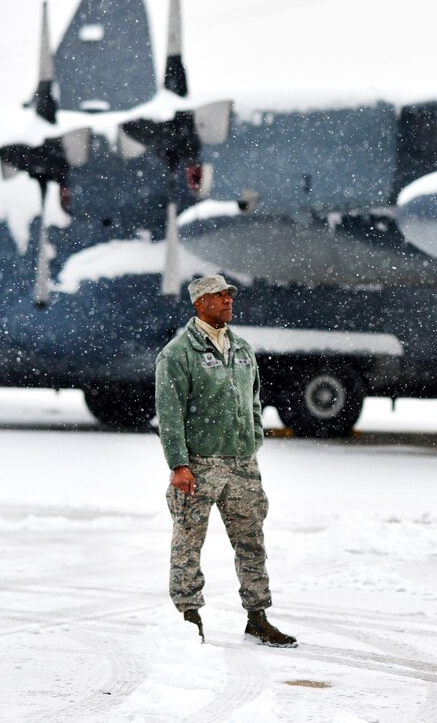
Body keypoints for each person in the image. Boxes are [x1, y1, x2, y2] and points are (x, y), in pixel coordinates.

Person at [155, 274, 297, 647]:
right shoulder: (178, 354)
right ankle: (189, 618)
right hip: (198, 465)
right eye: (219, 297)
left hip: (241, 464)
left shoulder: (242, 348)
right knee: (188, 542)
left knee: (251, 542)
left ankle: (258, 617)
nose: (228, 302)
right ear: (199, 303)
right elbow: (169, 414)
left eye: (229, 296)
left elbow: (253, 399)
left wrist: (253, 440)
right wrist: (179, 465)